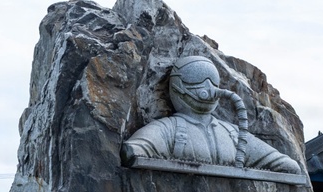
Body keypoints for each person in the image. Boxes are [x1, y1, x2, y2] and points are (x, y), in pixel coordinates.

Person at [122, 55, 301, 174]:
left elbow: (285, 165)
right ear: (178, 87)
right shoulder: (168, 129)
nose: (208, 88)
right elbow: (134, 149)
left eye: (212, 83)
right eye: (200, 82)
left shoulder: (233, 134)